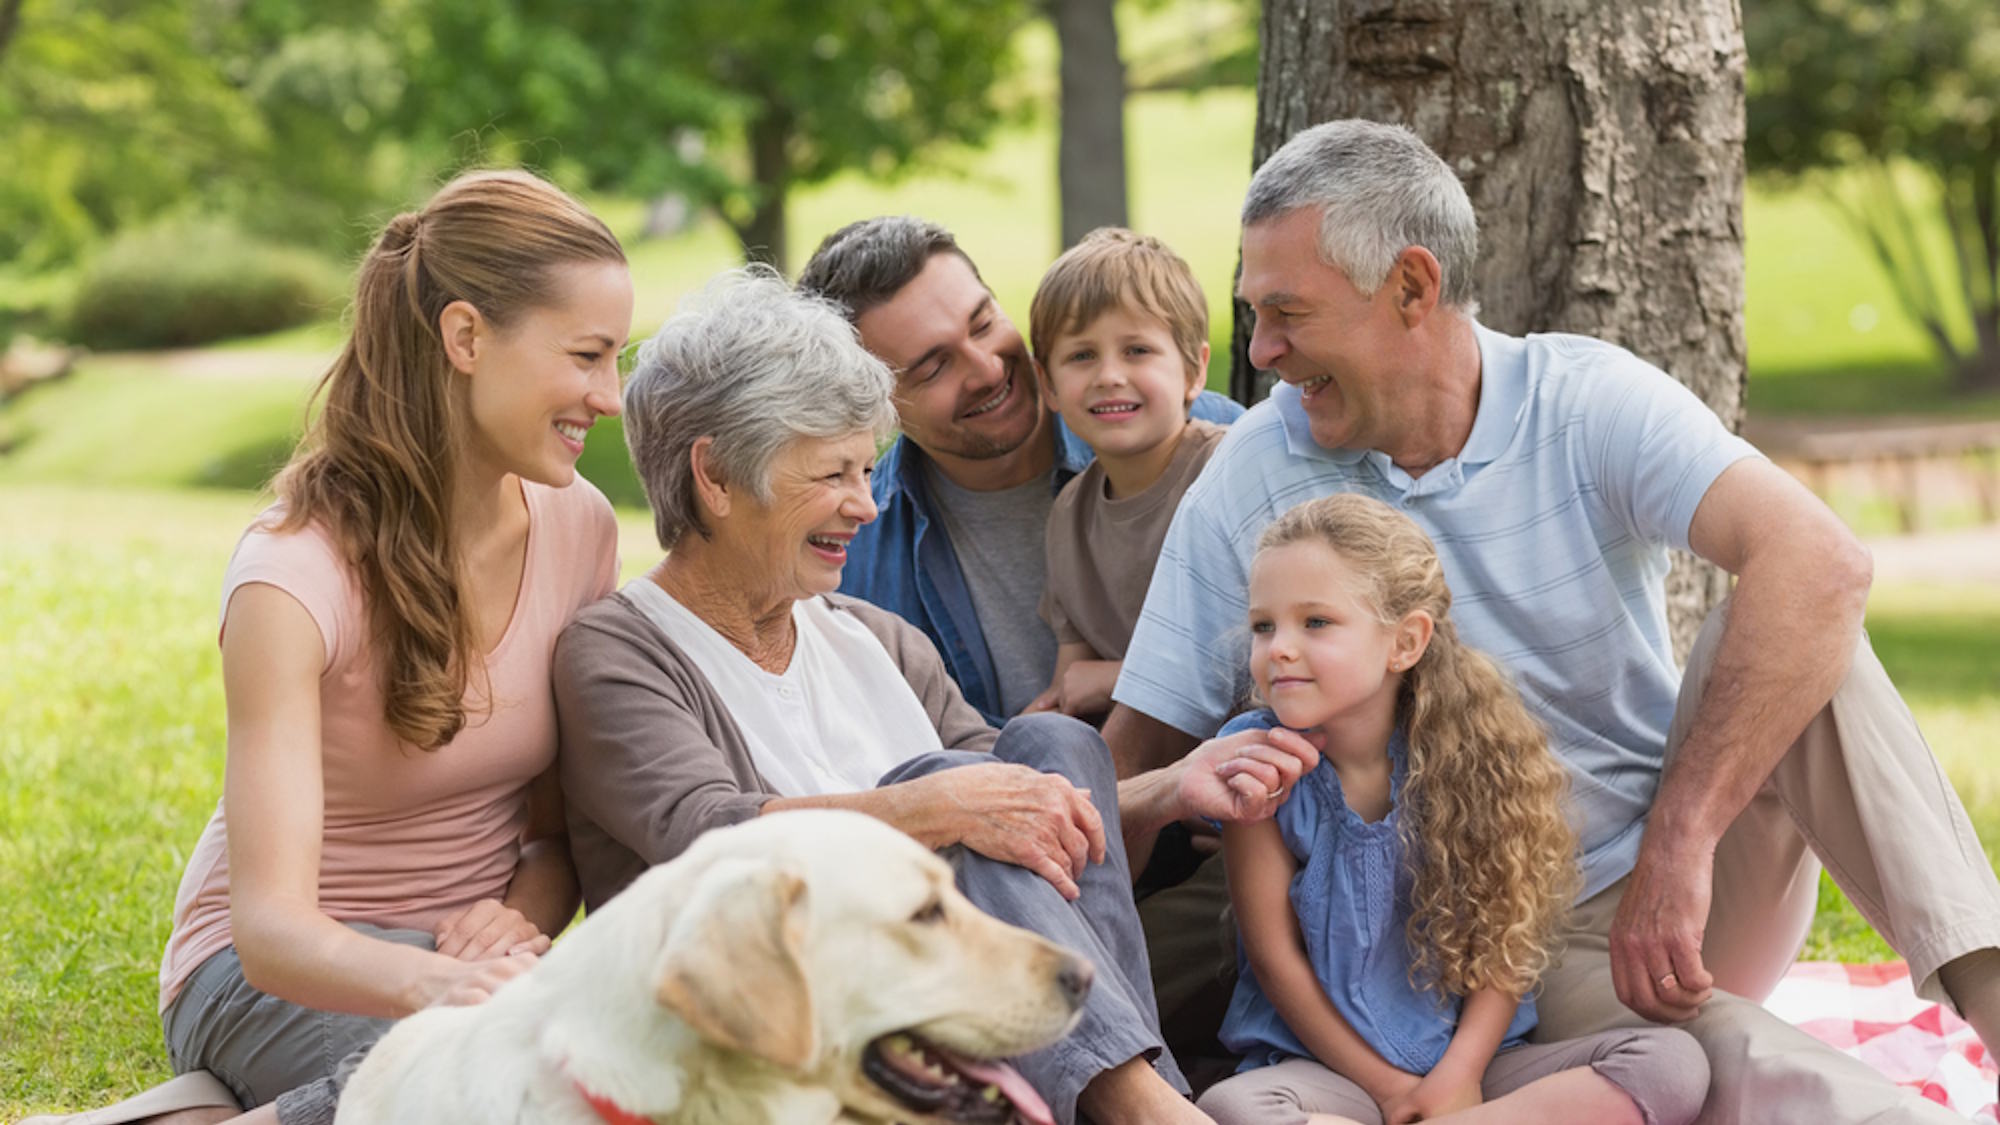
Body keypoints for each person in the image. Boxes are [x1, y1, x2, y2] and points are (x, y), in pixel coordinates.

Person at [1106, 119, 2000, 1123]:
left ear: (1410, 287)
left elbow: (1823, 561)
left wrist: (1677, 848)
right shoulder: (1254, 473)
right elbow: (1132, 757)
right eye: (1252, 315)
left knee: (1812, 621)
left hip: (1671, 882)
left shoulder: (1582, 400)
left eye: (1284, 314)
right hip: (1482, 955)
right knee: (1723, 1055)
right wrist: (1144, 801)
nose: (1261, 354)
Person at [551, 267, 1315, 1125]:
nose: (863, 505)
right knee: (964, 784)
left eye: (863, 467)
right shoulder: (620, 651)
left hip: (953, 1033)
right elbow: (708, 834)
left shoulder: (876, 639)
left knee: (1056, 752)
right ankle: (1142, 1106)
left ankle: (1132, 1099)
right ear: (717, 477)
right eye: (831, 474)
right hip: (778, 1046)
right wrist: (929, 805)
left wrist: (1171, 787)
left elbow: (1024, 814)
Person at [27, 170, 633, 1125]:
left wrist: (518, 918)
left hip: (470, 971)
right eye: (589, 356)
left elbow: (555, 832)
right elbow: (271, 931)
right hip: (270, 971)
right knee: (504, 1091)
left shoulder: (581, 528)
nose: (610, 395)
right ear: (466, 337)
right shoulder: (291, 575)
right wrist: (435, 989)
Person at [1196, 494, 1708, 1125]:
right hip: (1333, 1073)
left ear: (1405, 641)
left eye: (1317, 623)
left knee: (1669, 1065)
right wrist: (1390, 1092)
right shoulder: (1258, 762)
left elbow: (1505, 944)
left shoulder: (1473, 754)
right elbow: (1276, 962)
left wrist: (1455, 1081)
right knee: (1232, 1108)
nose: (1279, 648)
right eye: (1264, 626)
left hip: (1471, 1072)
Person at [795, 217, 1244, 726]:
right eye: (933, 368)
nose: (987, 369)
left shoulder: (1217, 444)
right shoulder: (853, 564)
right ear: (876, 409)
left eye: (983, 324)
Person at [1022, 228, 1230, 722]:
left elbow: (1278, 649)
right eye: (1081, 355)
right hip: (1140, 754)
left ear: (1194, 369)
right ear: (1047, 384)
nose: (1109, 375)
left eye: (1137, 350)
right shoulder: (1069, 516)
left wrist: (1119, 678)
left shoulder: (1226, 475)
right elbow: (1072, 685)